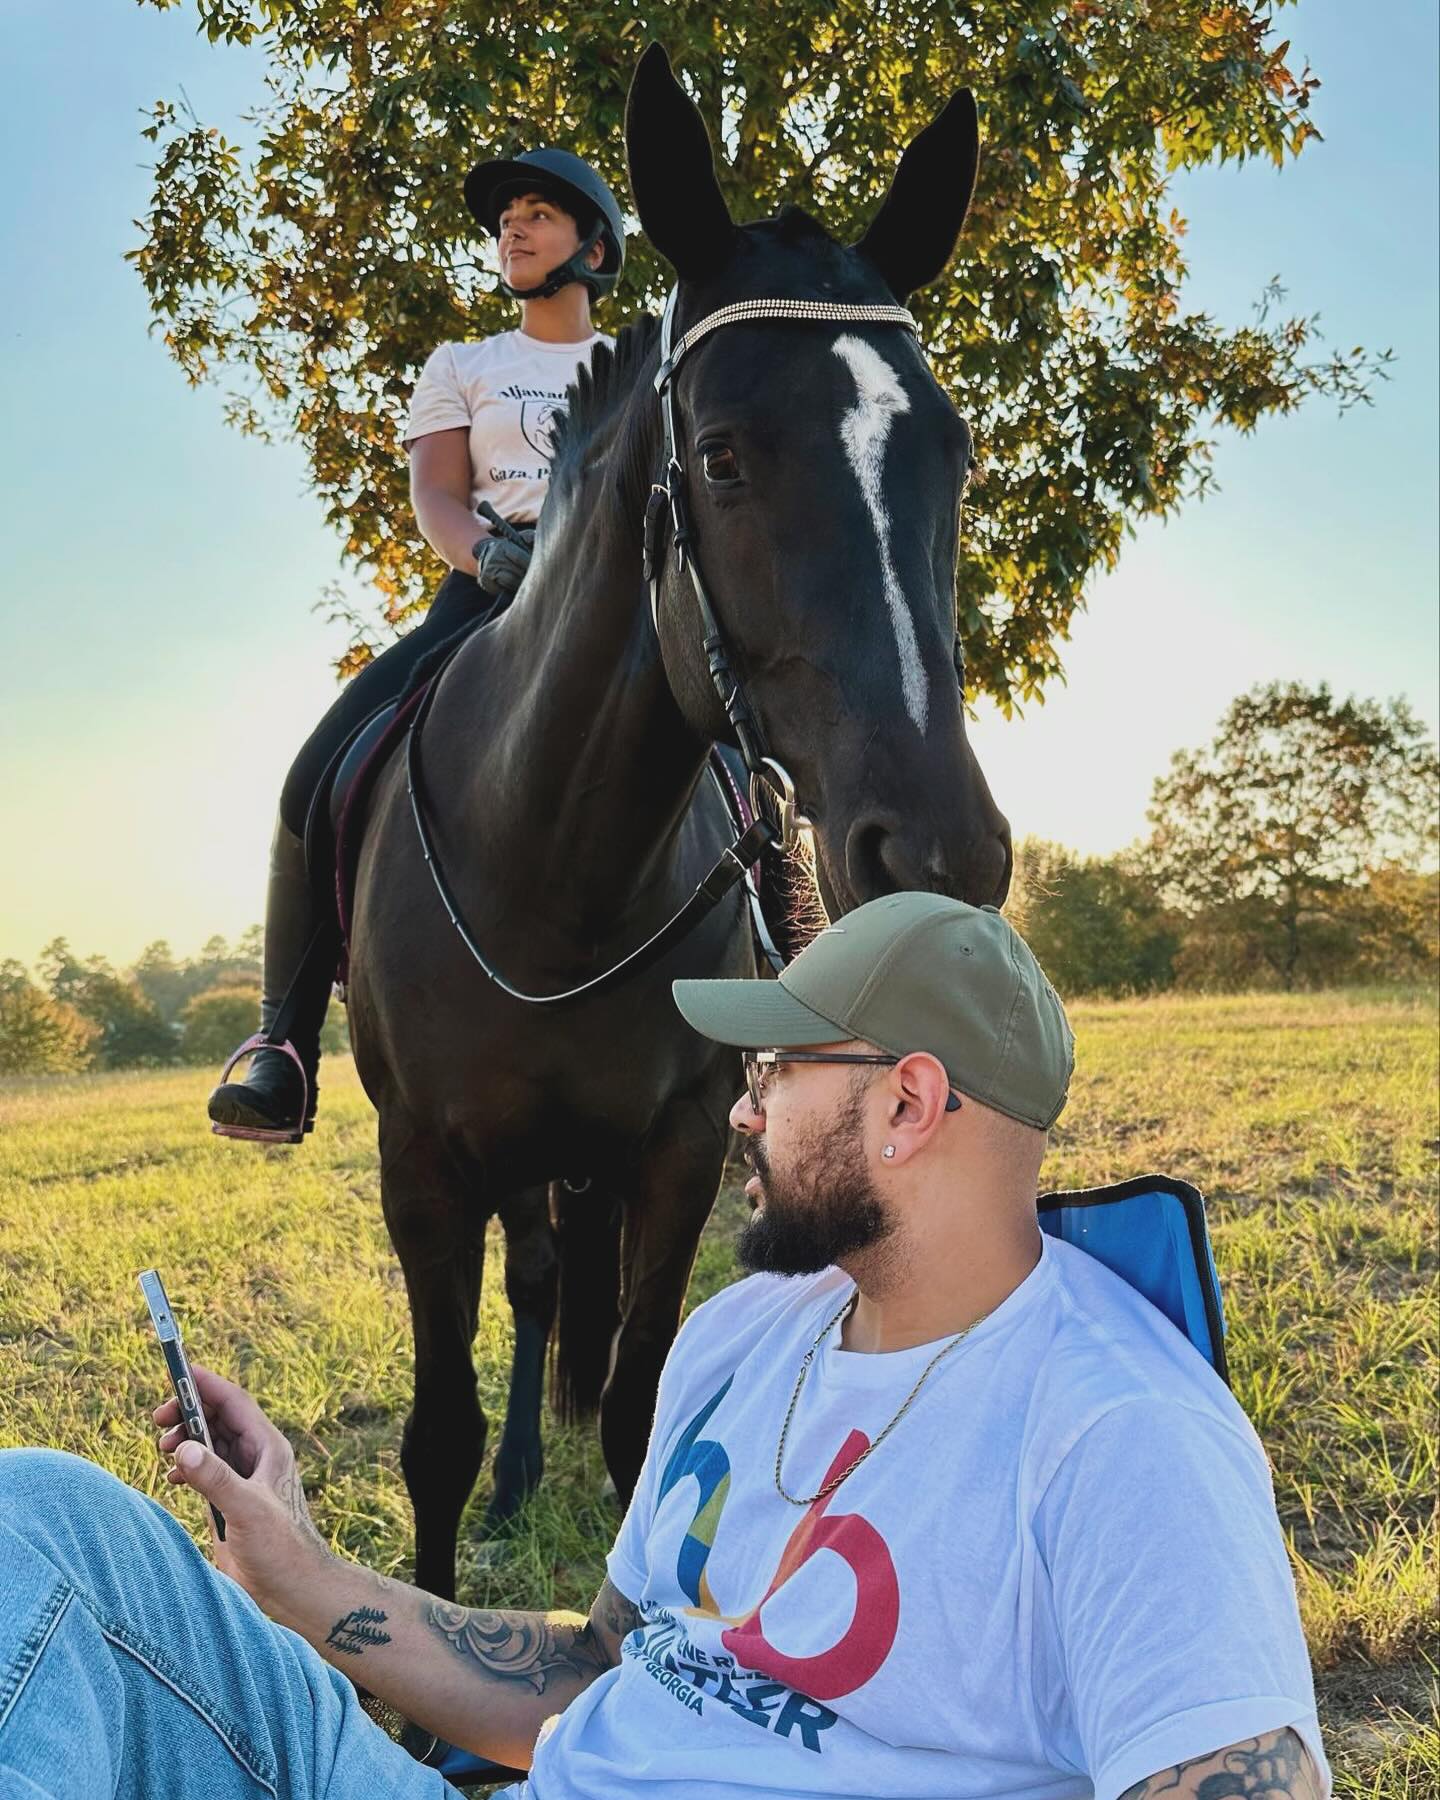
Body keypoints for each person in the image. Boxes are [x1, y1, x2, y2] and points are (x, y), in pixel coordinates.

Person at [1, 895, 1330, 1799]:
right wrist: (294, 1572)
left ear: (910, 1103)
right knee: (40, 1526)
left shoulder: (1117, 1435)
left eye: (774, 1074)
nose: (738, 1114)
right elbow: (592, 1675)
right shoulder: (747, 1334)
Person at [205, 147, 623, 1144]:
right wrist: (489, 557)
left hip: (618, 603)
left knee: (755, 765)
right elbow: (435, 494)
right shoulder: (465, 366)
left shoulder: (641, 361)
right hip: (488, 593)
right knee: (319, 771)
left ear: (596, 249)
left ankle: (795, 1008)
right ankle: (283, 1043)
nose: (512, 229)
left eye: (538, 215)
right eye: (505, 218)